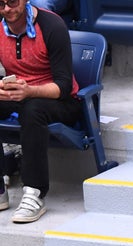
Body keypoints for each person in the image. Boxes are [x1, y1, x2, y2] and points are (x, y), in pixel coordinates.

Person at [0, 0, 82, 223]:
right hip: (20, 94)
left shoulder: (51, 25)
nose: (7, 9)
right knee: (26, 105)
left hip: (61, 100)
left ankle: (34, 192)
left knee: (32, 108)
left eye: (12, 2)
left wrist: (30, 91)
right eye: (1, 4)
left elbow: (64, 86)